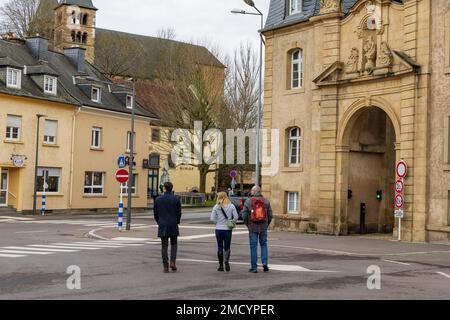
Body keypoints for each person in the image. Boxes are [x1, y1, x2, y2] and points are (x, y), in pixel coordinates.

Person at [242, 185, 273, 273]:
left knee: (253, 247)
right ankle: (264, 263)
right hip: (263, 227)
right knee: (264, 245)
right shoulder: (266, 201)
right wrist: (266, 224)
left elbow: (244, 215)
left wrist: (248, 224)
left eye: (252, 190)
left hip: (252, 227)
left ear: (255, 191)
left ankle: (254, 267)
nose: (251, 192)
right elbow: (270, 215)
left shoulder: (248, 201)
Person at [154, 182, 182, 273]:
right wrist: (176, 221)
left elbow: (155, 213)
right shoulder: (176, 199)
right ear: (171, 188)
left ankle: (165, 266)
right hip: (173, 224)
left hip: (163, 224)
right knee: (174, 244)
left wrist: (159, 222)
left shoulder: (158, 199)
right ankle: (173, 262)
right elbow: (178, 213)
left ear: (164, 189)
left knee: (164, 246)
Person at [210, 192, 239, 272]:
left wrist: (217, 222)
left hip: (218, 229)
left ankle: (221, 266)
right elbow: (236, 216)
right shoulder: (231, 206)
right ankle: (226, 260)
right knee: (227, 247)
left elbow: (212, 218)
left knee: (219, 247)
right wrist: (231, 221)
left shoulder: (216, 206)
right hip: (227, 230)